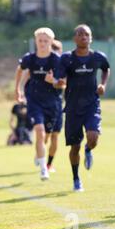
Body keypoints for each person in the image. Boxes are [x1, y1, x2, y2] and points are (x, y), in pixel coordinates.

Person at [55, 25, 110, 192]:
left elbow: (106, 69)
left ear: (91, 38)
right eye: (80, 34)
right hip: (72, 107)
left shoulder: (98, 57)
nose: (83, 37)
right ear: (74, 38)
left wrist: (103, 84)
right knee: (74, 147)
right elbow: (60, 78)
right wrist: (59, 82)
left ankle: (88, 149)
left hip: (91, 104)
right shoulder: (66, 58)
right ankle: (76, 178)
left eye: (87, 34)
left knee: (93, 137)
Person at [14, 27, 61, 180]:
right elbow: (20, 70)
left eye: (45, 41)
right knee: (39, 132)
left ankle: (39, 154)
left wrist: (53, 81)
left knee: (47, 135)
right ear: (35, 41)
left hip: (52, 102)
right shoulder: (30, 58)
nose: (42, 43)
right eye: (39, 40)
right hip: (34, 101)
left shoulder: (56, 60)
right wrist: (17, 89)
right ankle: (43, 169)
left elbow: (64, 83)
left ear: (51, 42)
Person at [45, 39, 64, 172]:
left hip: (57, 104)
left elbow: (64, 83)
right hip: (43, 104)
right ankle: (40, 152)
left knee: (55, 134)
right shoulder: (43, 65)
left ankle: (49, 164)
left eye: (58, 51)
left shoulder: (63, 67)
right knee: (45, 134)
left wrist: (56, 81)